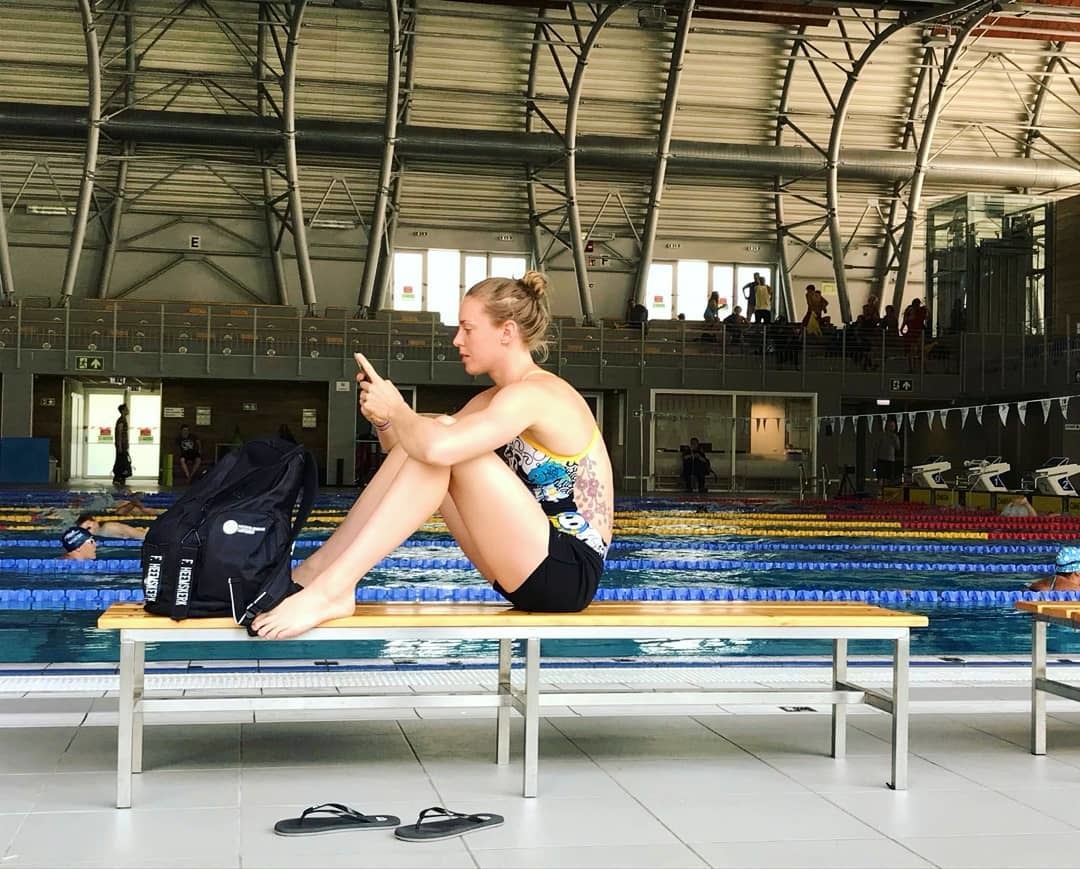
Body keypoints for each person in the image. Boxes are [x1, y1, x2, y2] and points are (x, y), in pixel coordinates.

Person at [251, 271, 614, 640]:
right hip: (524, 567)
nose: (457, 340)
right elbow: (409, 452)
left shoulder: (537, 394)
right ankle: (316, 573)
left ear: (506, 331)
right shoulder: (493, 400)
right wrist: (385, 421)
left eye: (468, 329)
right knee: (434, 436)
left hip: (567, 571)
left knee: (441, 437)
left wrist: (398, 409)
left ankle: (333, 589)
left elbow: (438, 448)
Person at [76, 511, 147, 540]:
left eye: (90, 523)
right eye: (87, 528)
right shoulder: (100, 533)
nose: (91, 526)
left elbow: (137, 535)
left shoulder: (109, 527)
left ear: (95, 520)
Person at [875, 418, 901, 486]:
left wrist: (895, 440)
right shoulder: (882, 435)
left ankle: (887, 489)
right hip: (881, 459)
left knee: (889, 478)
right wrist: (875, 459)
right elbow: (877, 447)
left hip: (890, 460)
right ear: (887, 426)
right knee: (880, 477)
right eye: (890, 426)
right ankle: (880, 490)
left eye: (893, 426)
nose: (891, 428)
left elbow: (898, 448)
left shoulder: (895, 437)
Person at [112, 404, 132, 489]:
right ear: (123, 411)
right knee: (121, 462)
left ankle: (121, 478)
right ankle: (117, 478)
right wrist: (120, 446)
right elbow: (119, 433)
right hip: (121, 445)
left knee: (123, 462)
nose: (128, 410)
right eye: (127, 409)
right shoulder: (121, 420)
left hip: (123, 445)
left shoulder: (124, 420)